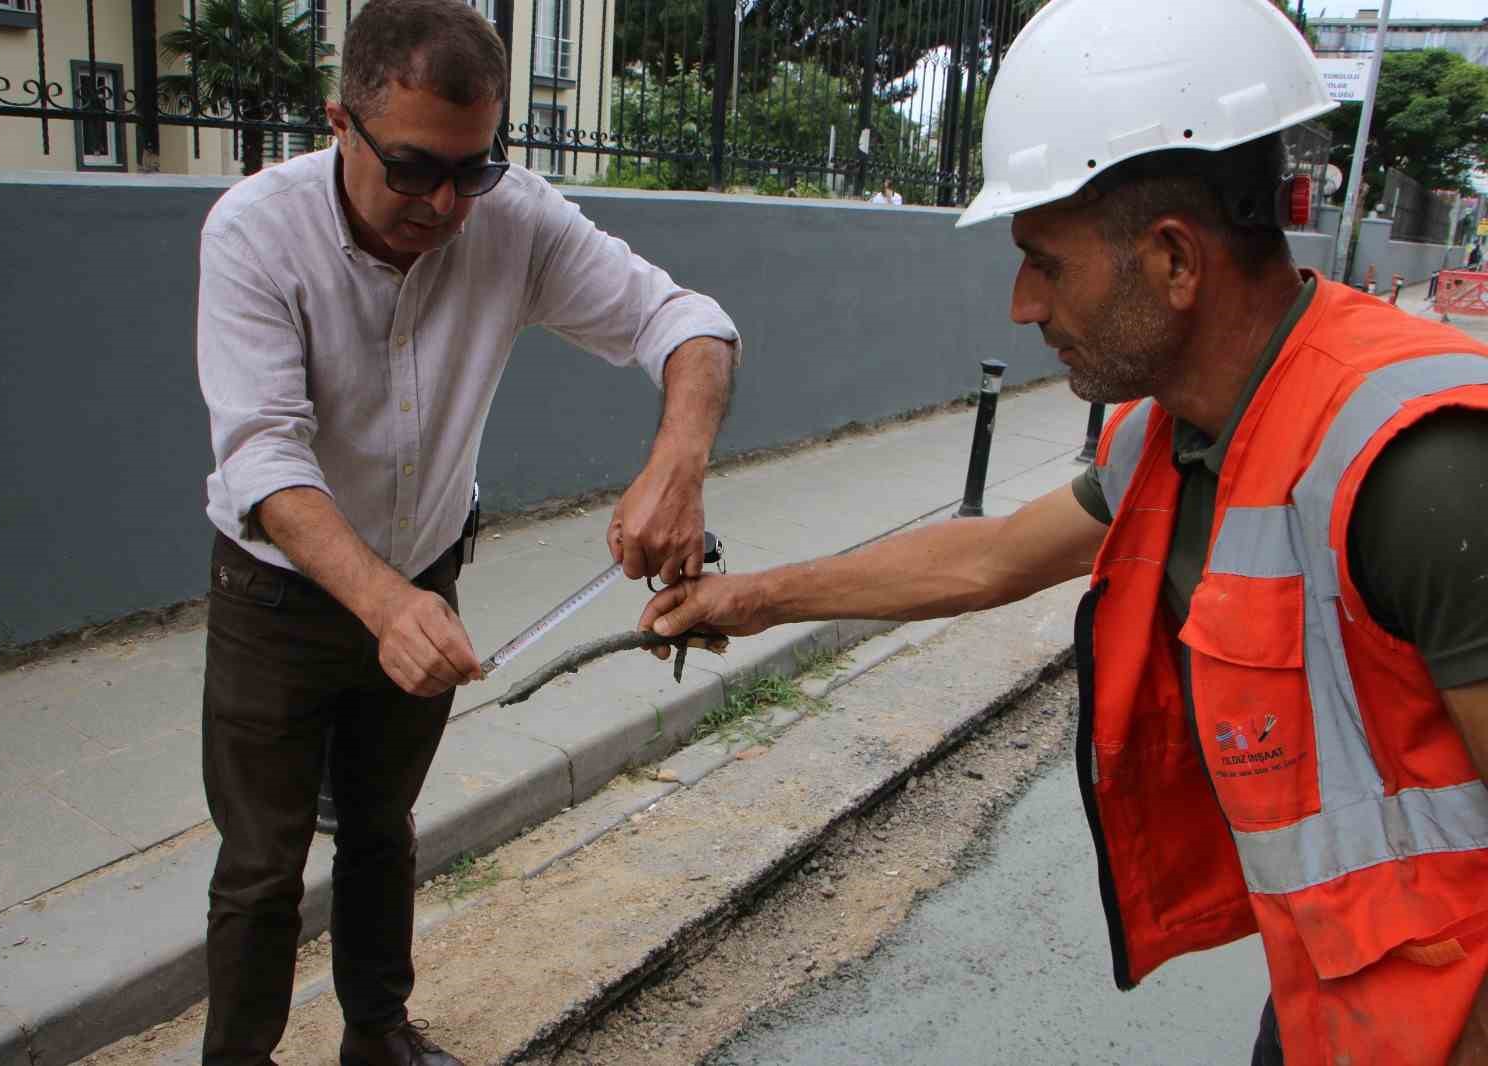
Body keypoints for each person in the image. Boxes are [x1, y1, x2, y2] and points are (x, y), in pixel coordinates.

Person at [638, 0, 1488, 1062]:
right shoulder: (1180, 431)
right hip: (1338, 999)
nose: (1020, 304)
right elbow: (992, 557)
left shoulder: (1422, 469)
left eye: (1045, 260)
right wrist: (746, 598)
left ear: (1175, 261)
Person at [194, 0, 740, 1062]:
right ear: (339, 124)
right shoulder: (254, 232)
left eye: (472, 169)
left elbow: (687, 322)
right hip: (276, 593)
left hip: (428, 566)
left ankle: (377, 1033)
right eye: (412, 168)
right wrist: (384, 601)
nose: (445, 203)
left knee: (383, 828)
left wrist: (678, 465)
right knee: (261, 865)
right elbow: (262, 456)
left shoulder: (514, 217)